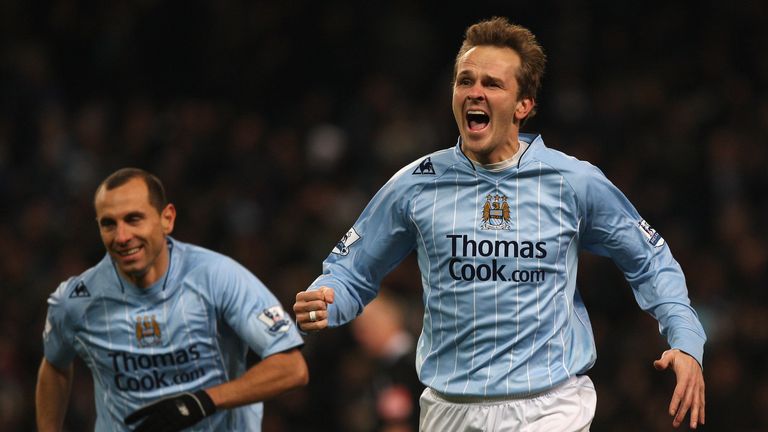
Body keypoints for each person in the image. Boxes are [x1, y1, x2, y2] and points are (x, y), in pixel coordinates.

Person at [294, 16, 706, 431]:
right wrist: (326, 299)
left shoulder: (574, 182)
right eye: (465, 81)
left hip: (549, 407)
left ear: (523, 105)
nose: (475, 92)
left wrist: (686, 340)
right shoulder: (414, 185)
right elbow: (351, 272)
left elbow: (650, 260)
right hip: (447, 409)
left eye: (492, 84)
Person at [36, 168, 308, 432]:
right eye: (109, 223)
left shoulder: (218, 277)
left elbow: (292, 367)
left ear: (167, 218)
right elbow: (54, 365)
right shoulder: (75, 301)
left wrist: (205, 400)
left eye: (133, 219)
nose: (121, 236)